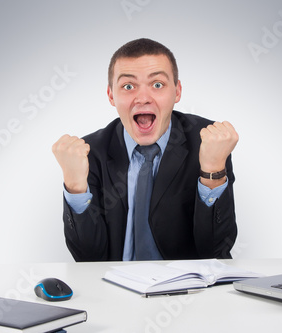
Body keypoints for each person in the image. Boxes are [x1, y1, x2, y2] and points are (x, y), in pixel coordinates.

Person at [52, 38, 239, 261]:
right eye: (128, 86)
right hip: (114, 291)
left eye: (157, 85)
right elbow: (88, 259)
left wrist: (212, 172)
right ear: (111, 95)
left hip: (185, 290)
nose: (142, 98)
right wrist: (75, 187)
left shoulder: (208, 144)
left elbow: (215, 253)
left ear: (177, 92)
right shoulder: (90, 153)